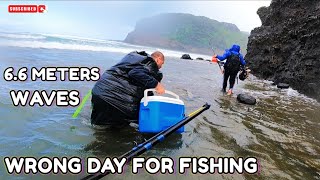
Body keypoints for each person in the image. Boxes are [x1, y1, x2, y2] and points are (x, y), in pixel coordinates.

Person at [90, 51, 165, 127]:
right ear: (158, 59)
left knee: (100, 127)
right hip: (115, 99)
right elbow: (135, 73)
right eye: (162, 63)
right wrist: (156, 84)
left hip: (99, 92)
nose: (161, 67)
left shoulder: (133, 60)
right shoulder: (150, 63)